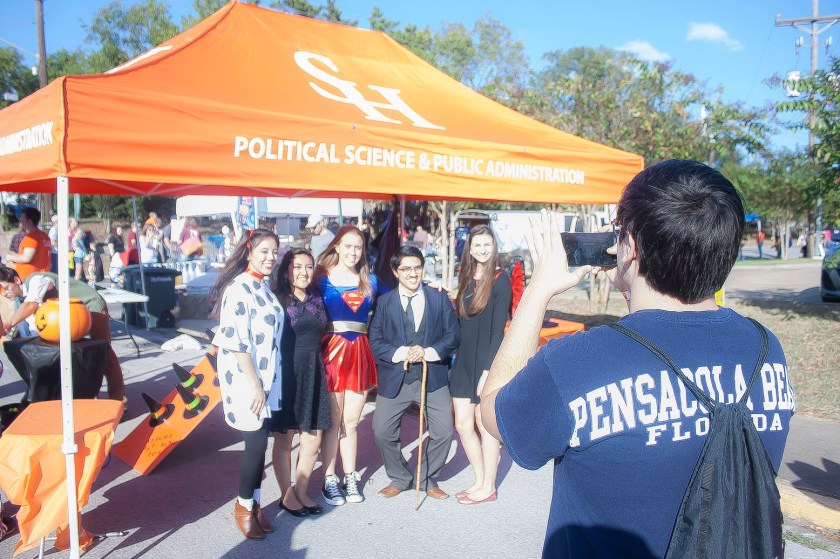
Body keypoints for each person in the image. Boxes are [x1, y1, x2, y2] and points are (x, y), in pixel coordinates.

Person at [481, 160, 793, 558]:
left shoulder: (578, 363)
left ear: (629, 246)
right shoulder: (767, 350)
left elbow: (494, 414)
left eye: (618, 229)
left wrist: (537, 292)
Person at [209, 228, 283, 540]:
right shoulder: (238, 288)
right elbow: (236, 342)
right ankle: (242, 506)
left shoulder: (263, 287)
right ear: (249, 252)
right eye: (264, 251)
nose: (271, 257)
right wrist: (254, 385)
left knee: (261, 443)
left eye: (274, 252)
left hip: (266, 379)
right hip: (246, 379)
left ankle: (254, 504)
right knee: (255, 445)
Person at [369, 246, 459, 499]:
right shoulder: (384, 302)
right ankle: (400, 476)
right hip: (395, 378)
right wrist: (401, 353)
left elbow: (453, 335)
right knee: (382, 431)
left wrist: (428, 351)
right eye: (406, 268)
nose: (412, 273)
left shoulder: (438, 298)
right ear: (396, 272)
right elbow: (375, 340)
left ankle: (425, 478)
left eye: (417, 267)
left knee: (444, 431)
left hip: (433, 377)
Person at [315, 224, 387, 506]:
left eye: (358, 247)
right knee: (333, 422)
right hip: (331, 353)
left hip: (359, 354)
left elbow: (397, 297)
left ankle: (350, 476)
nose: (353, 252)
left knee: (351, 422)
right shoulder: (320, 279)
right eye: (347, 246)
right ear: (336, 246)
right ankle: (329, 478)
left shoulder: (370, 281)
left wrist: (430, 291)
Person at [0, 265, 127, 403]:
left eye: (6, 288)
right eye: (2, 290)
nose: (5, 293)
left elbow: (32, 304)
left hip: (90, 305)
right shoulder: (22, 301)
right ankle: (84, 397)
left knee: (105, 353)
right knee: (77, 357)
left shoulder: (36, 280)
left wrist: (9, 323)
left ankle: (119, 399)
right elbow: (37, 324)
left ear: (16, 280)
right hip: (70, 317)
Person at [449, 225, 511, 504]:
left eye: (487, 244)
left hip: (486, 361)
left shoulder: (500, 280)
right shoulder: (465, 276)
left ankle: (488, 486)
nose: (482, 250)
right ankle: (479, 479)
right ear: (470, 248)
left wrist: (488, 371)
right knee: (463, 424)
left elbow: (498, 330)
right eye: (477, 245)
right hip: (463, 360)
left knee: (483, 424)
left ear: (493, 246)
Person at [269, 248, 331, 518]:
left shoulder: (318, 296)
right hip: (287, 374)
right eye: (297, 267)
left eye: (308, 266)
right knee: (285, 439)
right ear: (286, 271)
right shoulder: (277, 299)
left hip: (314, 372)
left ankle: (302, 491)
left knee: (312, 441)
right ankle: (287, 495)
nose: (304, 272)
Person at [6, 207, 51, 282]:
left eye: (22, 219)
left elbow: (26, 258)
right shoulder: (45, 236)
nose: (20, 221)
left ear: (29, 221)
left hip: (29, 278)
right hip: (42, 276)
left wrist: (10, 257)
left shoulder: (31, 237)